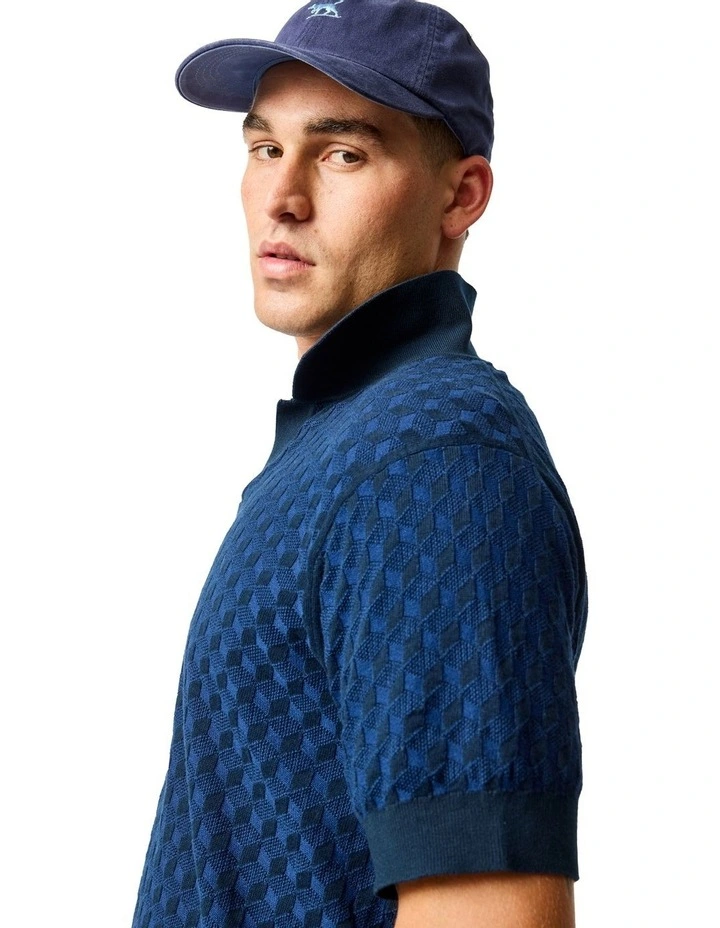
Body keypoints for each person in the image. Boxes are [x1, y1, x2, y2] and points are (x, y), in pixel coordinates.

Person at [133, 2, 587, 926]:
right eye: (266, 147)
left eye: (342, 153)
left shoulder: (438, 460)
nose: (282, 196)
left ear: (461, 196)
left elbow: (490, 910)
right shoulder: (357, 444)